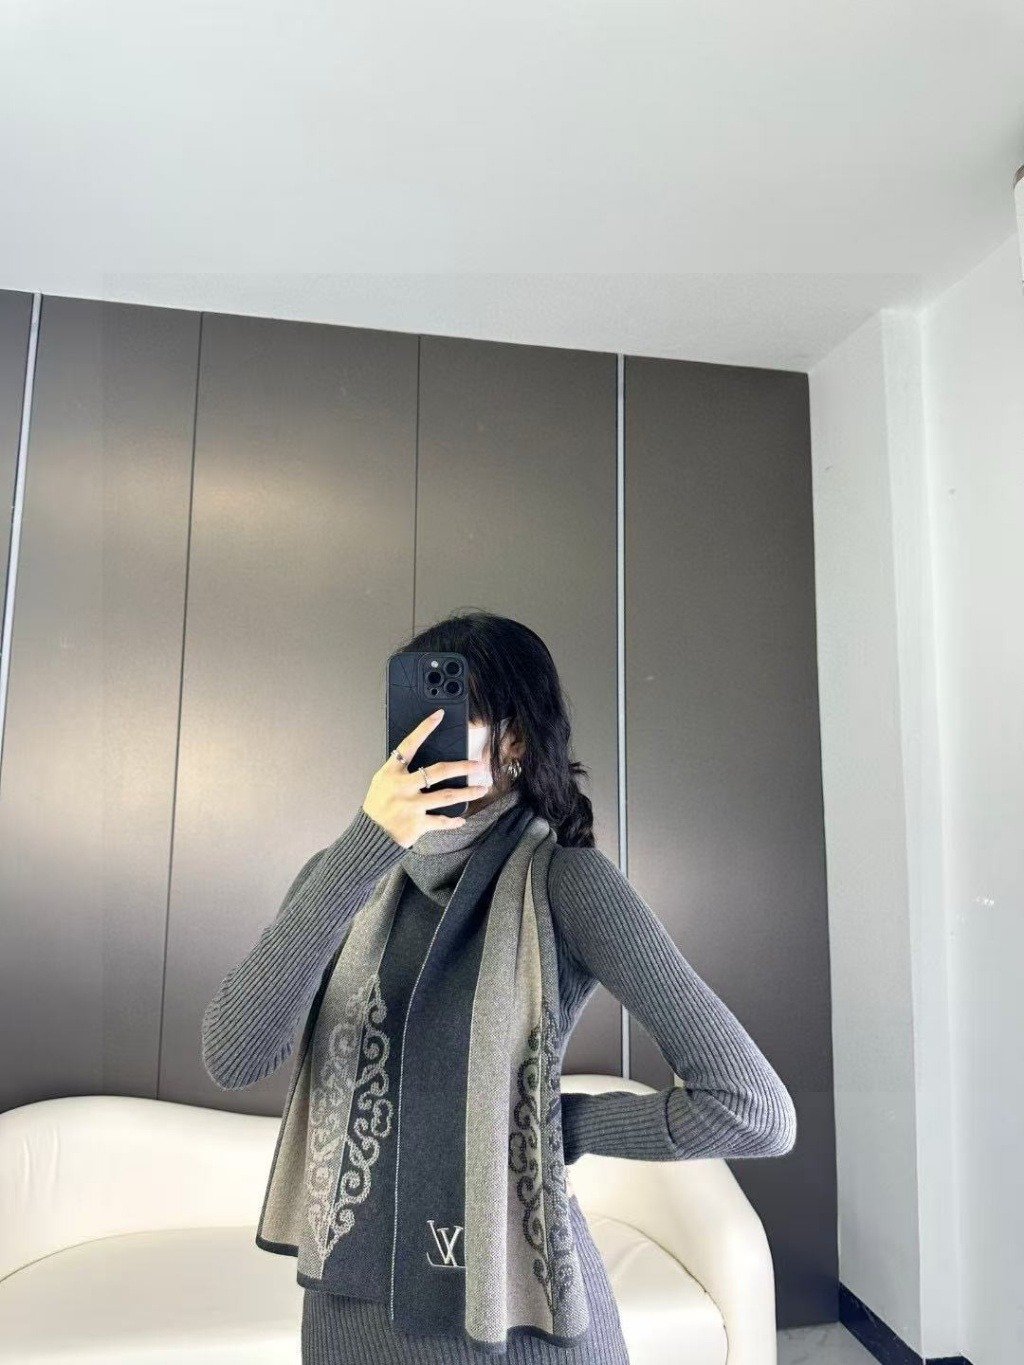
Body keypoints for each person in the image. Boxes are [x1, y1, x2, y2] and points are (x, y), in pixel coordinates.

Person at [202, 609, 797, 1364]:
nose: (419, 736)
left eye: (450, 710)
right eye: (408, 710)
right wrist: (366, 847)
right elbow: (235, 1056)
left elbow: (752, 1109)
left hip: (522, 1330)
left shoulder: (567, 884)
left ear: (513, 740)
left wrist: (555, 1124)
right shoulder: (341, 875)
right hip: (347, 1324)